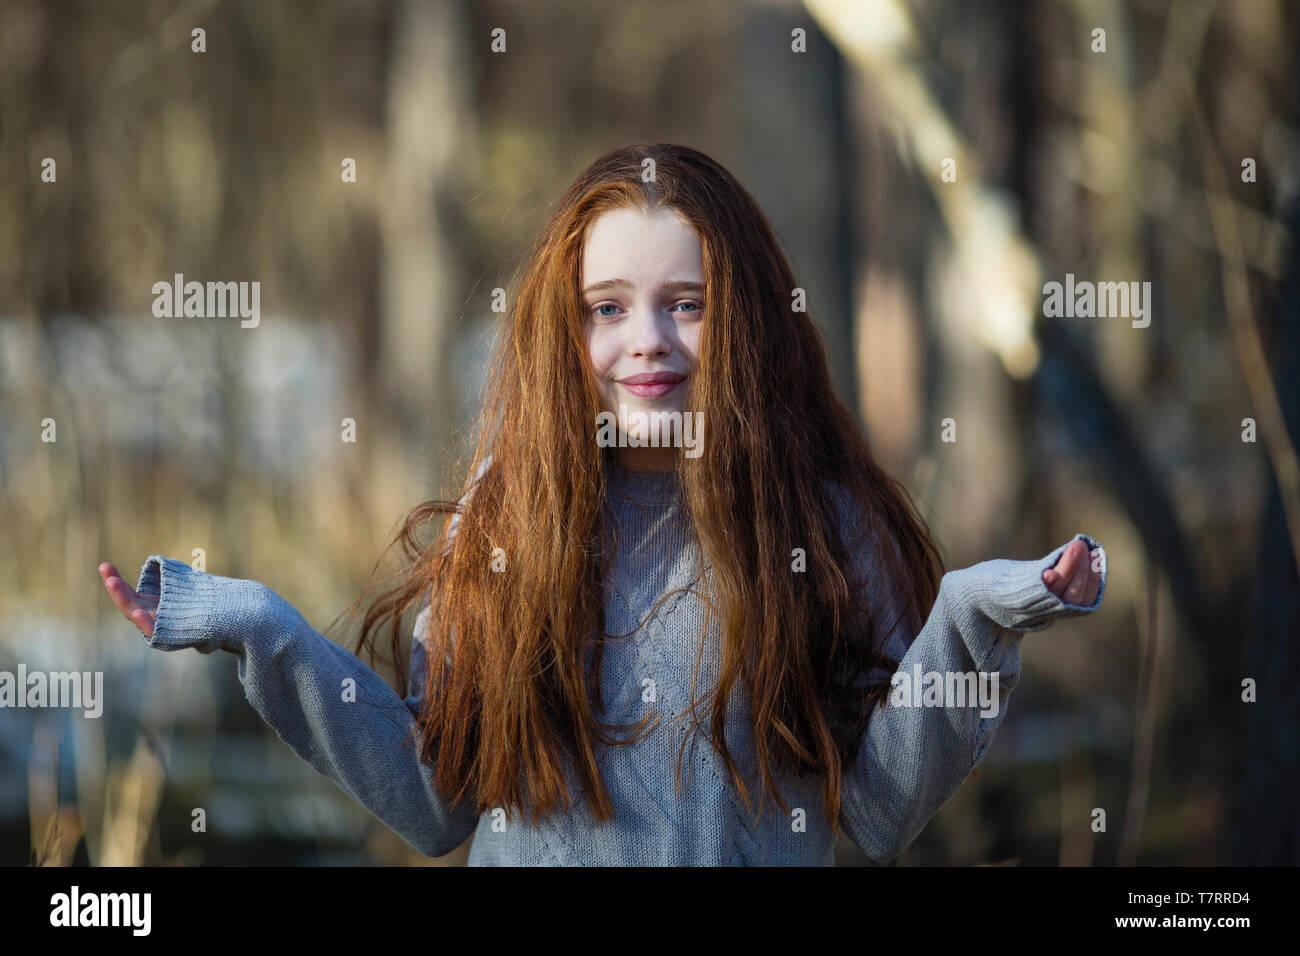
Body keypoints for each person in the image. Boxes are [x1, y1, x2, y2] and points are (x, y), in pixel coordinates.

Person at [99, 142, 1105, 865]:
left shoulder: (820, 523)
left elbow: (882, 814)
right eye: (608, 307)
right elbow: (431, 800)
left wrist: (975, 616)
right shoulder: (507, 519)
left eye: (689, 302)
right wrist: (263, 630)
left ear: (747, 317)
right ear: (562, 327)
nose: (648, 341)